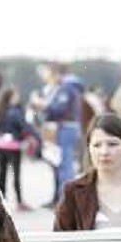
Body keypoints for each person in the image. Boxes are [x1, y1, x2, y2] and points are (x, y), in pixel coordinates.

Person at [30, 62, 82, 204]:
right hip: (61, 128)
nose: (45, 76)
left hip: (64, 127)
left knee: (65, 165)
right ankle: (61, 198)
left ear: (56, 73)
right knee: (59, 163)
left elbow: (58, 108)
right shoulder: (64, 86)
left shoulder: (66, 87)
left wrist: (41, 103)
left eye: (47, 73)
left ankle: (67, 199)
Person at [0, 87, 40, 211]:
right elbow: (25, 127)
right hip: (13, 146)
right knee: (15, 174)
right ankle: (19, 202)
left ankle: (0, 200)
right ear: (11, 97)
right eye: (16, 96)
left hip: (0, 145)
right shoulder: (16, 112)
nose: (18, 98)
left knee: (2, 174)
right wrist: (36, 137)